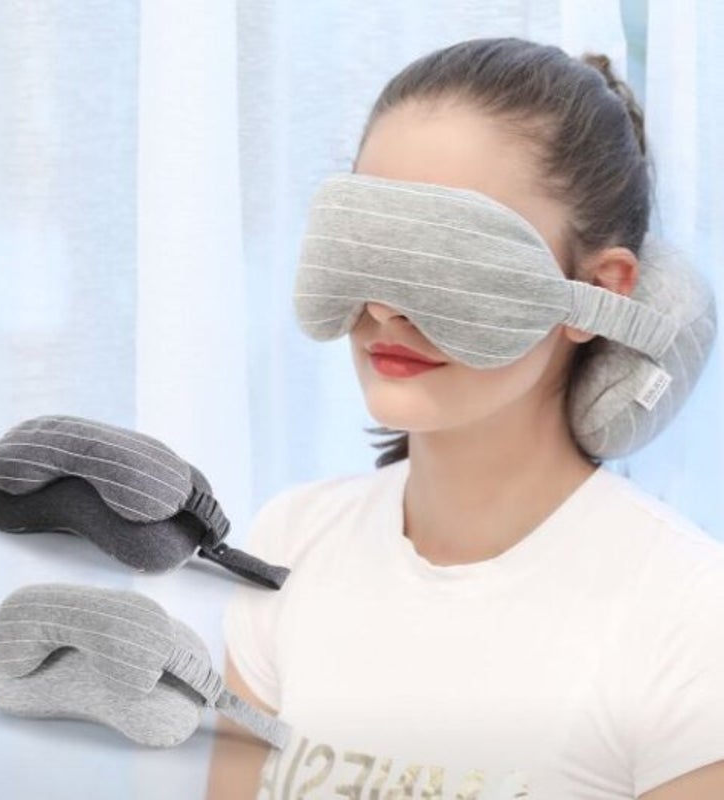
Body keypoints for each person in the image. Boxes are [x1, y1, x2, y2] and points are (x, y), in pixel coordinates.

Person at [205, 37, 724, 800]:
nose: (384, 307)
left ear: (598, 292)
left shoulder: (688, 615)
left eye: (452, 259)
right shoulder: (291, 545)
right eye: (368, 245)